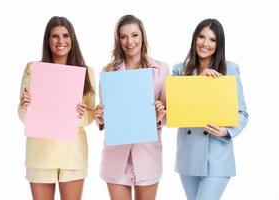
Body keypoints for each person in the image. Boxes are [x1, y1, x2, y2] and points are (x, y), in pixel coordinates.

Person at [18, 16, 95, 200]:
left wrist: (81, 114)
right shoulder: (33, 69)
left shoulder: (86, 72)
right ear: (48, 40)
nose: (61, 41)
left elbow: (90, 117)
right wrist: (25, 106)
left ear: (72, 39)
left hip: (72, 154)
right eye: (55, 36)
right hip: (41, 153)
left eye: (66, 36)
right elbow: (23, 116)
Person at [95, 15, 169, 200]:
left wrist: (159, 116)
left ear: (142, 37)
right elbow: (107, 114)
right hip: (116, 156)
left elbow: (169, 116)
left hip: (147, 154)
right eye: (124, 37)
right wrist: (102, 118)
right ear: (118, 40)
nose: (130, 41)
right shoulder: (109, 71)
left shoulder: (161, 70)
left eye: (134, 35)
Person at [172, 18, 248, 200]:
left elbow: (242, 113)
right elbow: (176, 112)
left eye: (212, 40)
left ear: (219, 44)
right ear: (194, 39)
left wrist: (226, 131)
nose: (205, 44)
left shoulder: (229, 69)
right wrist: (199, 83)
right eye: (201, 37)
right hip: (188, 156)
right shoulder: (179, 71)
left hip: (217, 155)